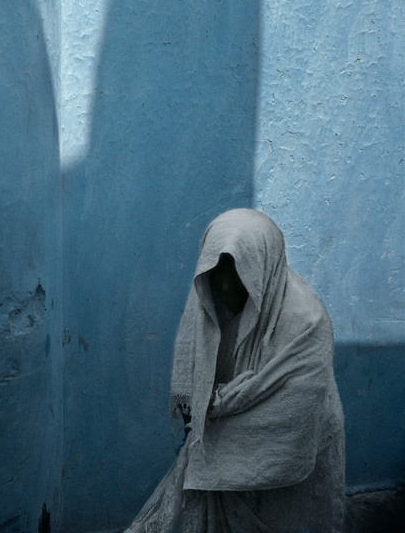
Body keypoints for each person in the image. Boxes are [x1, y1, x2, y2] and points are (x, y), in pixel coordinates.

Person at [126, 208, 345, 532]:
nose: (224, 283)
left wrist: (215, 421)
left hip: (289, 481)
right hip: (221, 472)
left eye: (238, 270)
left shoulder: (306, 323)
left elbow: (292, 417)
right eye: (216, 270)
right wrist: (202, 416)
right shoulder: (208, 301)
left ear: (262, 267)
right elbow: (193, 387)